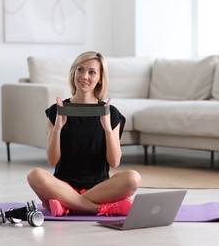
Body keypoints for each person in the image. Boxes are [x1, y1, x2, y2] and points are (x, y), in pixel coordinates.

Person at [27, 51, 141, 217]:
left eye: (92, 72)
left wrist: (107, 128)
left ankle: (67, 205)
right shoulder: (56, 110)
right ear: (74, 72)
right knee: (35, 175)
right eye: (80, 69)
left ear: (100, 78)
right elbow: (52, 160)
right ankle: (99, 208)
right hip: (63, 185)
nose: (84, 76)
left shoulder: (111, 113)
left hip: (98, 188)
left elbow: (114, 162)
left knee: (133, 178)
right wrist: (58, 127)